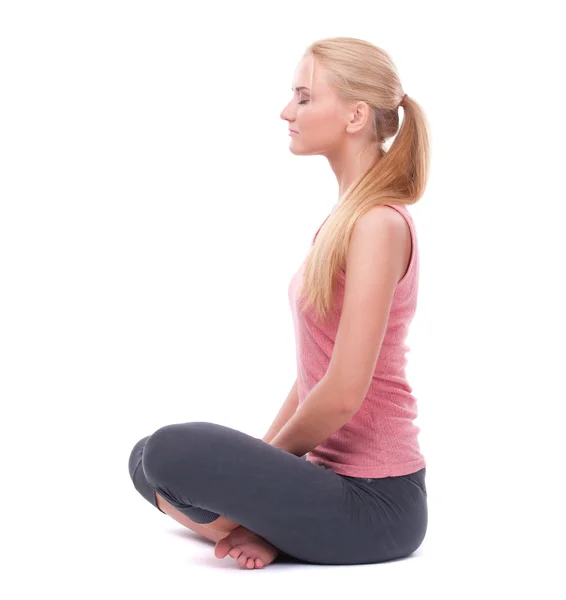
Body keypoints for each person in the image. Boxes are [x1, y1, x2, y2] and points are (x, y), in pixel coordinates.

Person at [128, 36, 431, 569]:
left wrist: (254, 472)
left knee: (173, 452)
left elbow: (341, 393)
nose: (287, 110)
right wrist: (254, 472)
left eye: (304, 97)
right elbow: (315, 372)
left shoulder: (379, 225)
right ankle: (270, 529)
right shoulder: (343, 223)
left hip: (377, 504)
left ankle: (261, 527)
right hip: (325, 484)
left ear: (356, 115)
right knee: (144, 458)